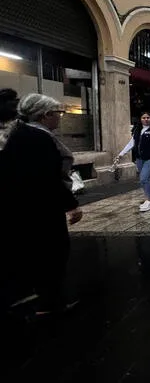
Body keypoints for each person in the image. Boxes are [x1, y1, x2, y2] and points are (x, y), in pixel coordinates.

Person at [0, 93, 83, 315]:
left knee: (37, 251)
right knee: (52, 252)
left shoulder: (21, 134)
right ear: (46, 115)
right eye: (59, 113)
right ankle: (50, 303)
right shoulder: (37, 138)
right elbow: (47, 177)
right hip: (41, 206)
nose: (60, 117)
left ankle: (37, 295)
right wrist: (71, 205)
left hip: (26, 205)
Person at [116, 111, 150, 212]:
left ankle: (148, 200)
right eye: (143, 118)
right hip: (140, 159)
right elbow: (131, 143)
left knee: (143, 179)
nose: (146, 119)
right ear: (140, 119)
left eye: (148, 117)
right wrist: (121, 154)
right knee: (149, 179)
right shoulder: (137, 130)